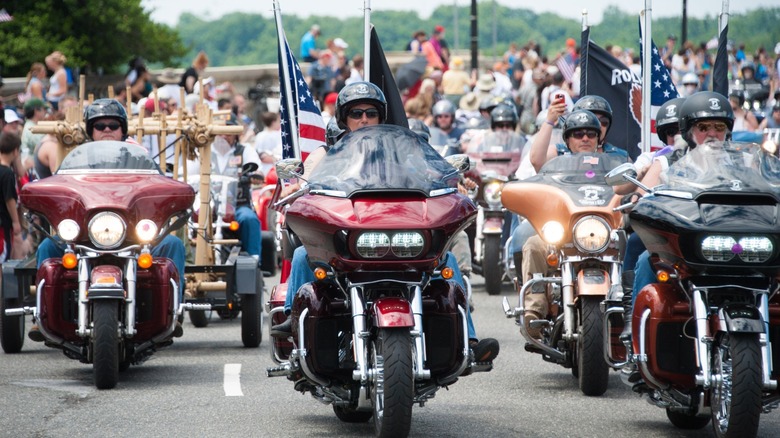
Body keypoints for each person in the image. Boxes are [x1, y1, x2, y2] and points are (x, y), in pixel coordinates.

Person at [270, 82, 499, 363]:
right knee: (303, 254)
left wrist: (450, 183)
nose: (364, 119)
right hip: (352, 235)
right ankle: (292, 319)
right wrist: (300, 186)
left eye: (371, 113)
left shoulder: (397, 152)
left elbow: (427, 174)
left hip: (395, 230)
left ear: (380, 117)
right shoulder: (328, 153)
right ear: (344, 118)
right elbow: (309, 180)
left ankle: (468, 341)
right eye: (356, 113)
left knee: (446, 260)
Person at [31, 99, 188, 341]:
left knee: (174, 245)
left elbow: (161, 186)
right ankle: (41, 314)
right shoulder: (76, 160)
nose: (106, 130)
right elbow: (60, 188)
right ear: (91, 130)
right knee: (46, 248)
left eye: (113, 125)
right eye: (100, 125)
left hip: (136, 237)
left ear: (122, 129)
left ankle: (174, 311)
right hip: (84, 237)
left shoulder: (139, 157)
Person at [522, 107, 628, 338]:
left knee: (634, 247)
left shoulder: (615, 164)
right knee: (533, 245)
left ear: (599, 138)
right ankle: (535, 311)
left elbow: (632, 185)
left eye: (591, 134)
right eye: (578, 134)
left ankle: (631, 312)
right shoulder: (557, 165)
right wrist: (549, 121)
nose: (585, 139)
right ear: (568, 140)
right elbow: (536, 160)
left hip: (606, 234)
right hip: (565, 234)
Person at [0, 132, 22, 263]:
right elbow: (10, 199)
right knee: (3, 256)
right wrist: (16, 221)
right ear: (15, 151)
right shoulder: (7, 173)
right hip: (3, 223)